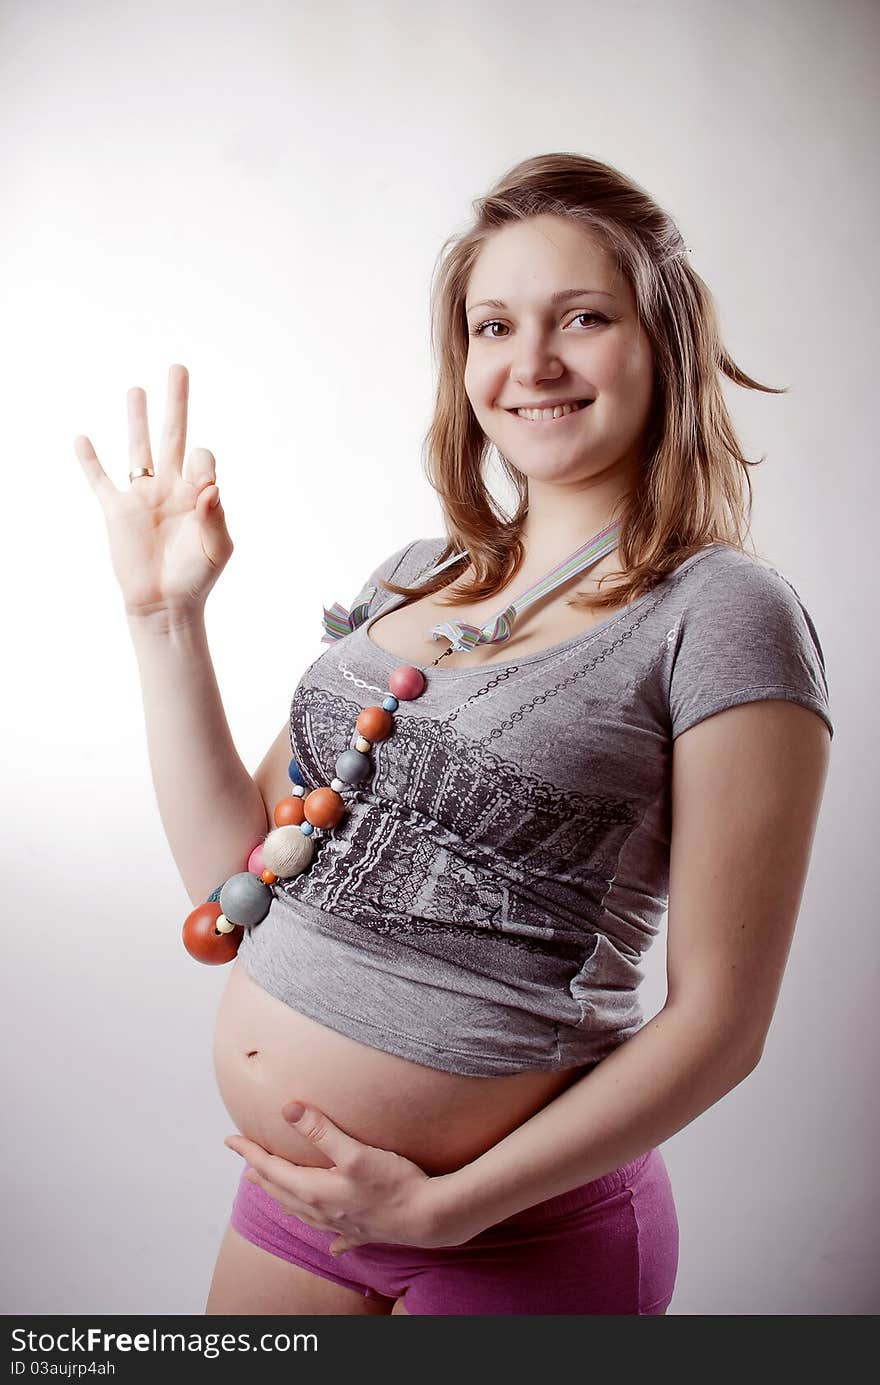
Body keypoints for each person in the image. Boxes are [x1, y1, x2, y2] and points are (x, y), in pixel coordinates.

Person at [74, 152, 833, 1317]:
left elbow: (722, 1024)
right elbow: (239, 884)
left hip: (520, 1237)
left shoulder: (721, 613)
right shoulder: (418, 576)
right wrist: (163, 616)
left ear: (662, 340)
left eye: (582, 317)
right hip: (299, 1206)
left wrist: (449, 1207)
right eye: (493, 325)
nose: (530, 363)